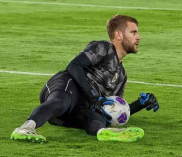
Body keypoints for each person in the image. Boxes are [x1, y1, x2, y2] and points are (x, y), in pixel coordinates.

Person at [10, 15, 159, 143]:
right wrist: (94, 96)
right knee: (61, 102)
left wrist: (139, 104)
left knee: (99, 116)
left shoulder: (122, 75)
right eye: (133, 32)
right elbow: (74, 66)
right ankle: (25, 128)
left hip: (73, 112)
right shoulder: (103, 48)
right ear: (119, 35)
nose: (138, 37)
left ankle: (103, 133)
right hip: (67, 85)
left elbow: (112, 109)